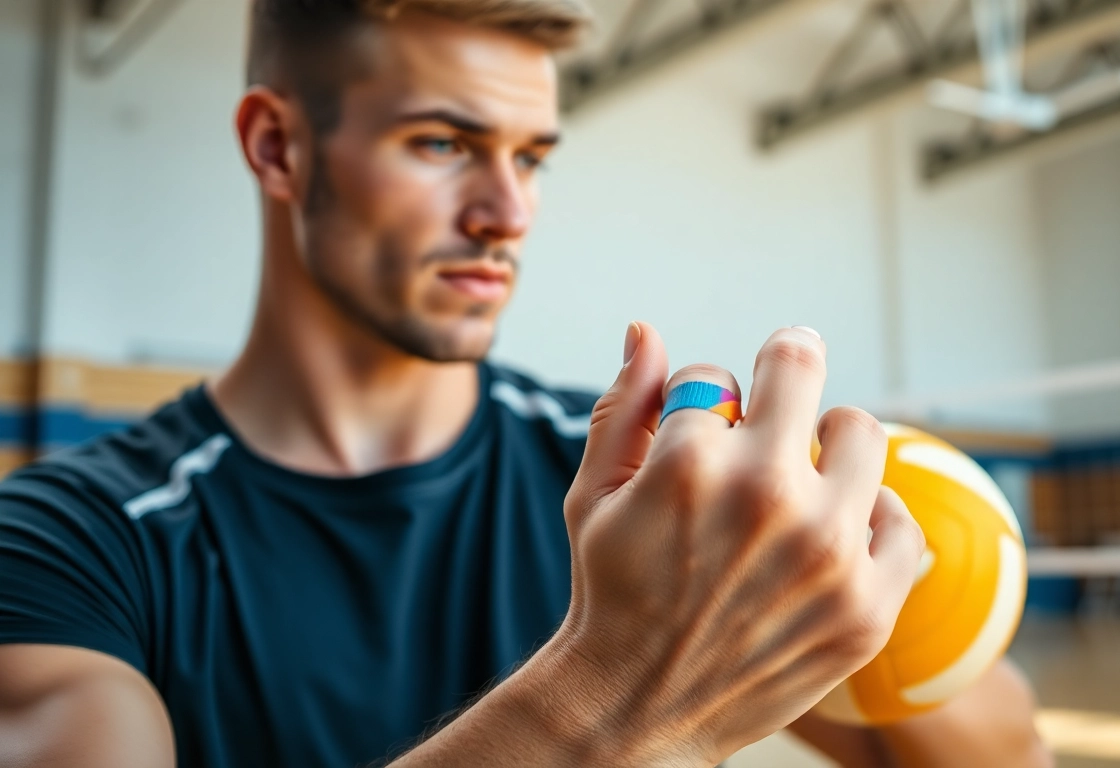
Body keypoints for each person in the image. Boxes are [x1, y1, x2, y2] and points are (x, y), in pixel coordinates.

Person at [0, 1, 1050, 766]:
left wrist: (895, 576)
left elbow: (1003, 757)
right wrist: (616, 701)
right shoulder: (68, 543)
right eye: (444, 143)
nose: (508, 213)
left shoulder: (634, 482)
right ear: (279, 147)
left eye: (532, 156)